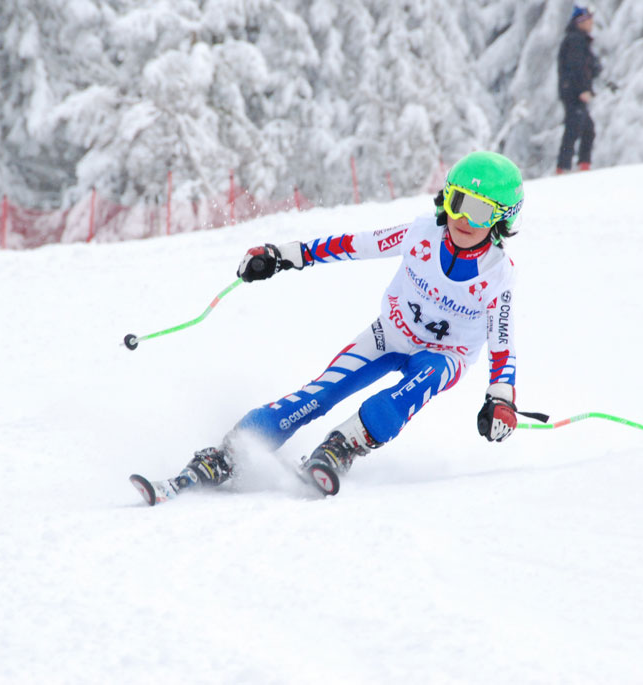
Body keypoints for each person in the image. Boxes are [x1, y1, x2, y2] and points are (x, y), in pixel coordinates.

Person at [163, 151, 525, 499]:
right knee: (319, 395)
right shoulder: (421, 234)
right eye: (457, 201)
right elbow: (356, 245)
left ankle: (343, 446)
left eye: (480, 211)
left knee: (408, 394)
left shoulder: (497, 275)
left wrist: (500, 398)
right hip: (391, 335)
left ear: (502, 218)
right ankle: (230, 453)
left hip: (446, 355)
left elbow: (502, 343)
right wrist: (285, 256)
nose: (463, 218)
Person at [556, 5, 602, 174]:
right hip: (574, 93)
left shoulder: (580, 40)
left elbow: (588, 67)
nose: (591, 23)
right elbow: (576, 67)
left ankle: (581, 165)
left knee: (586, 129)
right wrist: (582, 90)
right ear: (580, 22)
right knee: (574, 129)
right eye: (589, 20)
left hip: (573, 92)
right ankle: (564, 168)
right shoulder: (576, 40)